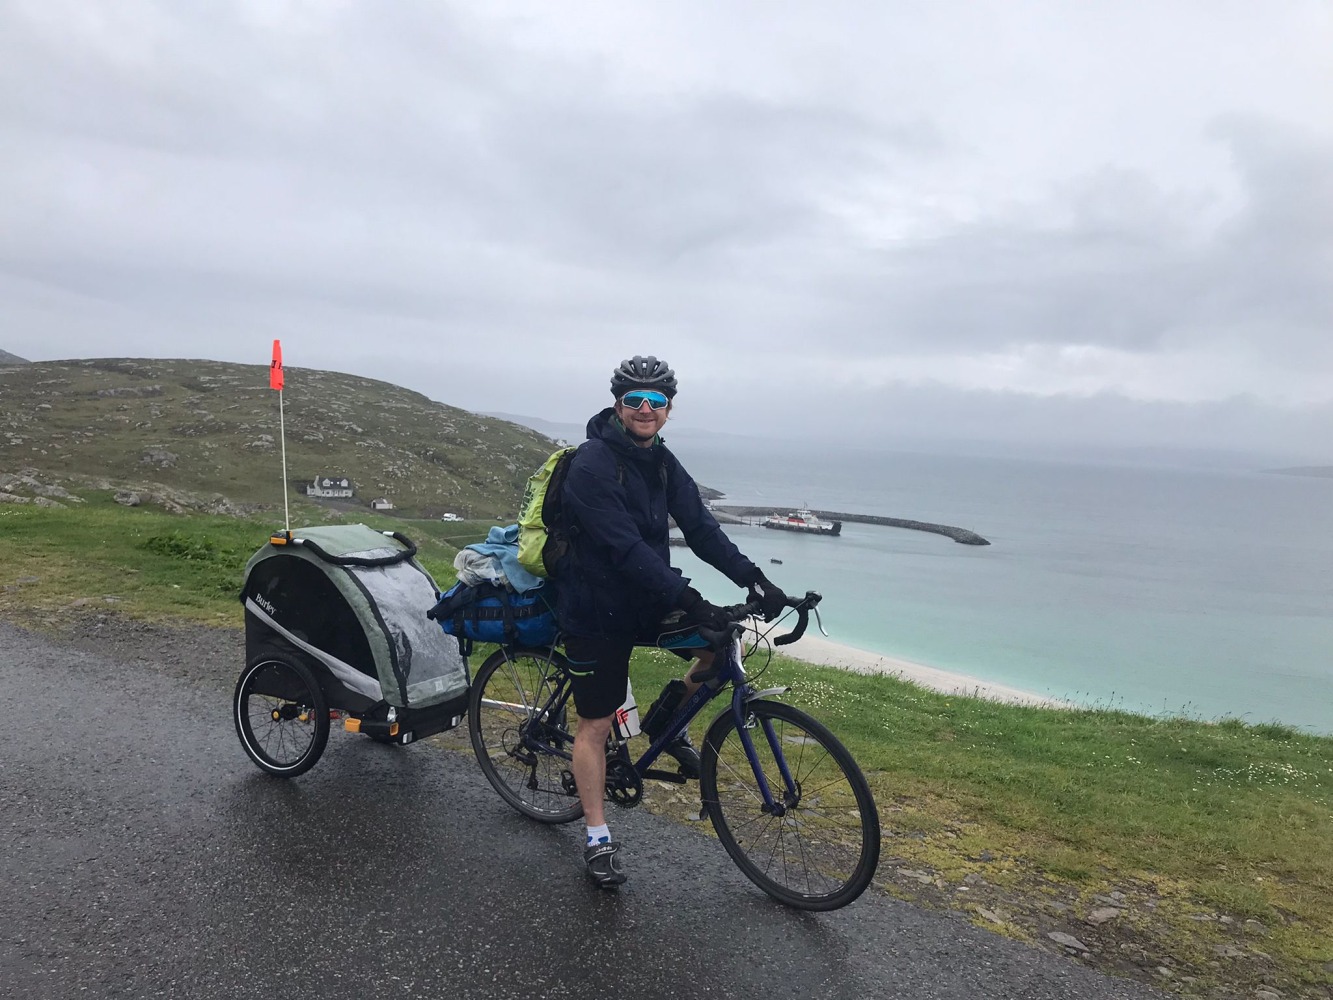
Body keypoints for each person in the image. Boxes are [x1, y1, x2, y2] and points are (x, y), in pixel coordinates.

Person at [553, 355, 789, 888]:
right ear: (617, 405)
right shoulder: (591, 463)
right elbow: (624, 547)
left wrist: (755, 579)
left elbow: (701, 531)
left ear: (668, 410)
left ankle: (661, 722)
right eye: (634, 400)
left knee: (715, 647)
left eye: (655, 402)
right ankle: (596, 837)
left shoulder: (662, 461)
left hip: (647, 598)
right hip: (594, 605)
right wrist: (690, 597)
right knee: (594, 724)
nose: (644, 409)